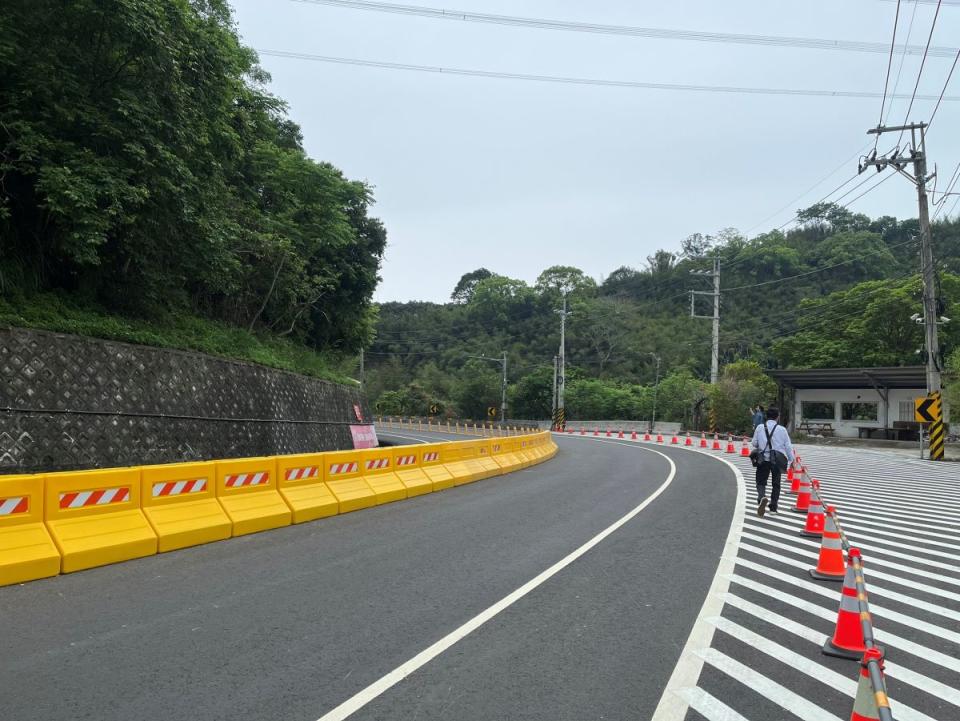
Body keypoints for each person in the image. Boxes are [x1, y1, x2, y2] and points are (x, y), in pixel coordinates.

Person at [751, 406, 795, 517]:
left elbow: (754, 443)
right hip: (777, 461)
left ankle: (761, 497)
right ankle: (773, 508)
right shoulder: (782, 429)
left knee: (761, 481)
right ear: (778, 417)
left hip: (763, 459)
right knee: (776, 484)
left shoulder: (760, 427)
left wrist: (762, 444)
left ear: (766, 416)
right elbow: (788, 446)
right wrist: (792, 461)